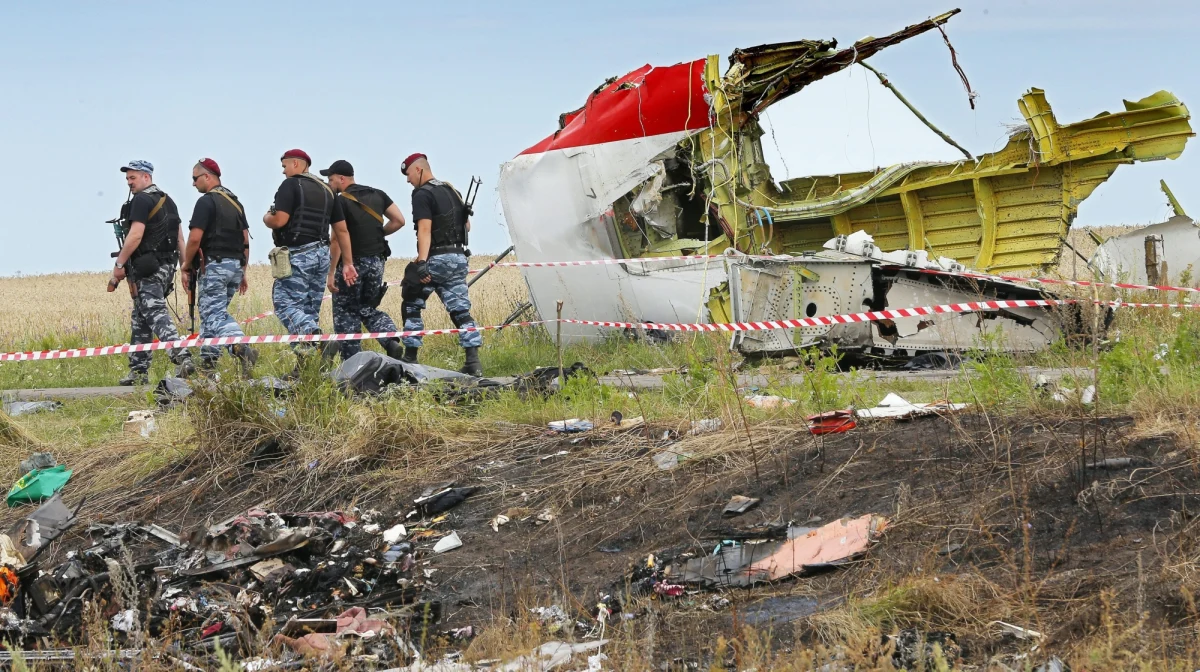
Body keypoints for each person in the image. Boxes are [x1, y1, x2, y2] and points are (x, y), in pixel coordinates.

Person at [107, 160, 195, 385]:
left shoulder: (141, 200)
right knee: (141, 317)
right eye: (127, 179)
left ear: (147, 177)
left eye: (133, 178)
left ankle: (181, 356)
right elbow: (179, 238)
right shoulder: (168, 200)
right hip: (167, 266)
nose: (129, 183)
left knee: (154, 311)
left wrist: (119, 266)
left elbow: (135, 235)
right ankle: (138, 371)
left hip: (148, 268)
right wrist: (185, 268)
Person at [262, 149, 358, 354]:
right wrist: (348, 263)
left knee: (284, 304)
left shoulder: (291, 184)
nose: (283, 171)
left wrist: (266, 218)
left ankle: (315, 335)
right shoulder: (327, 191)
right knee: (309, 309)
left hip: (298, 255)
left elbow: (279, 220)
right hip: (322, 254)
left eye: (284, 166)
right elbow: (341, 230)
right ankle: (303, 364)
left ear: (297, 164)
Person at [398, 153, 482, 376]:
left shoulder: (422, 194)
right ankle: (473, 362)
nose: (408, 180)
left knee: (411, 300)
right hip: (458, 258)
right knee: (460, 310)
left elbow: (424, 229)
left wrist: (423, 263)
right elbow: (468, 227)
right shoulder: (451, 190)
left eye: (408, 175)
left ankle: (410, 358)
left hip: (436, 258)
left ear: (418, 170)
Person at [320, 160, 408, 361]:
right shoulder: (378, 194)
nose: (330, 184)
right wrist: (380, 234)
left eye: (331, 179)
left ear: (342, 179)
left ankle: (353, 365)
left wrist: (331, 272)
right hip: (377, 262)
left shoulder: (339, 201)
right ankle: (390, 340)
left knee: (345, 313)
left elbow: (336, 238)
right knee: (367, 308)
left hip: (352, 265)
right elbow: (399, 220)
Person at [181, 158, 257, 373]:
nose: (193, 184)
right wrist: (243, 271)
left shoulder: (206, 202)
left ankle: (241, 347)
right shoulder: (235, 202)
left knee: (214, 315)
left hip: (214, 266)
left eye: (195, 179)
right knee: (211, 312)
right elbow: (245, 240)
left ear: (207, 176)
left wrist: (186, 265)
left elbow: (195, 238)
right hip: (235, 266)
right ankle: (208, 362)